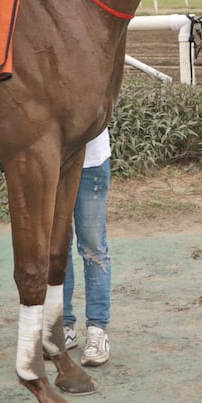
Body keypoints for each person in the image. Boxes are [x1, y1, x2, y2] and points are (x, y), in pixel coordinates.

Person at [62, 128, 113, 366]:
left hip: (91, 163)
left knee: (93, 247)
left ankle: (97, 330)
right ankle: (63, 326)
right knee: (58, 248)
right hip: (53, 161)